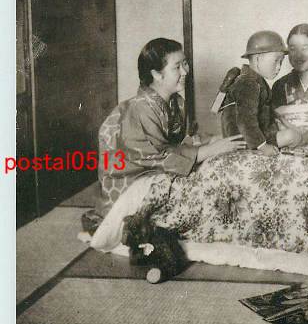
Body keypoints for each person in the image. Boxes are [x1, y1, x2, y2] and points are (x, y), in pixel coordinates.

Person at [81, 38, 246, 234]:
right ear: (157, 74)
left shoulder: (176, 102)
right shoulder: (139, 109)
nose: (185, 71)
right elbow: (157, 157)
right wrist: (209, 150)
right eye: (177, 67)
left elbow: (181, 141)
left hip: (160, 169)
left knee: (219, 168)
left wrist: (210, 140)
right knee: (205, 188)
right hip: (132, 180)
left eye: (185, 63)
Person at [220, 30, 303, 156]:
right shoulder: (249, 83)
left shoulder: (255, 81)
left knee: (292, 132)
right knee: (293, 136)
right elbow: (245, 121)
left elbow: (266, 111)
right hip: (244, 140)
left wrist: (282, 123)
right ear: (258, 59)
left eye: (281, 62)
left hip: (252, 134)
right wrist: (262, 146)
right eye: (276, 61)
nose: (279, 67)